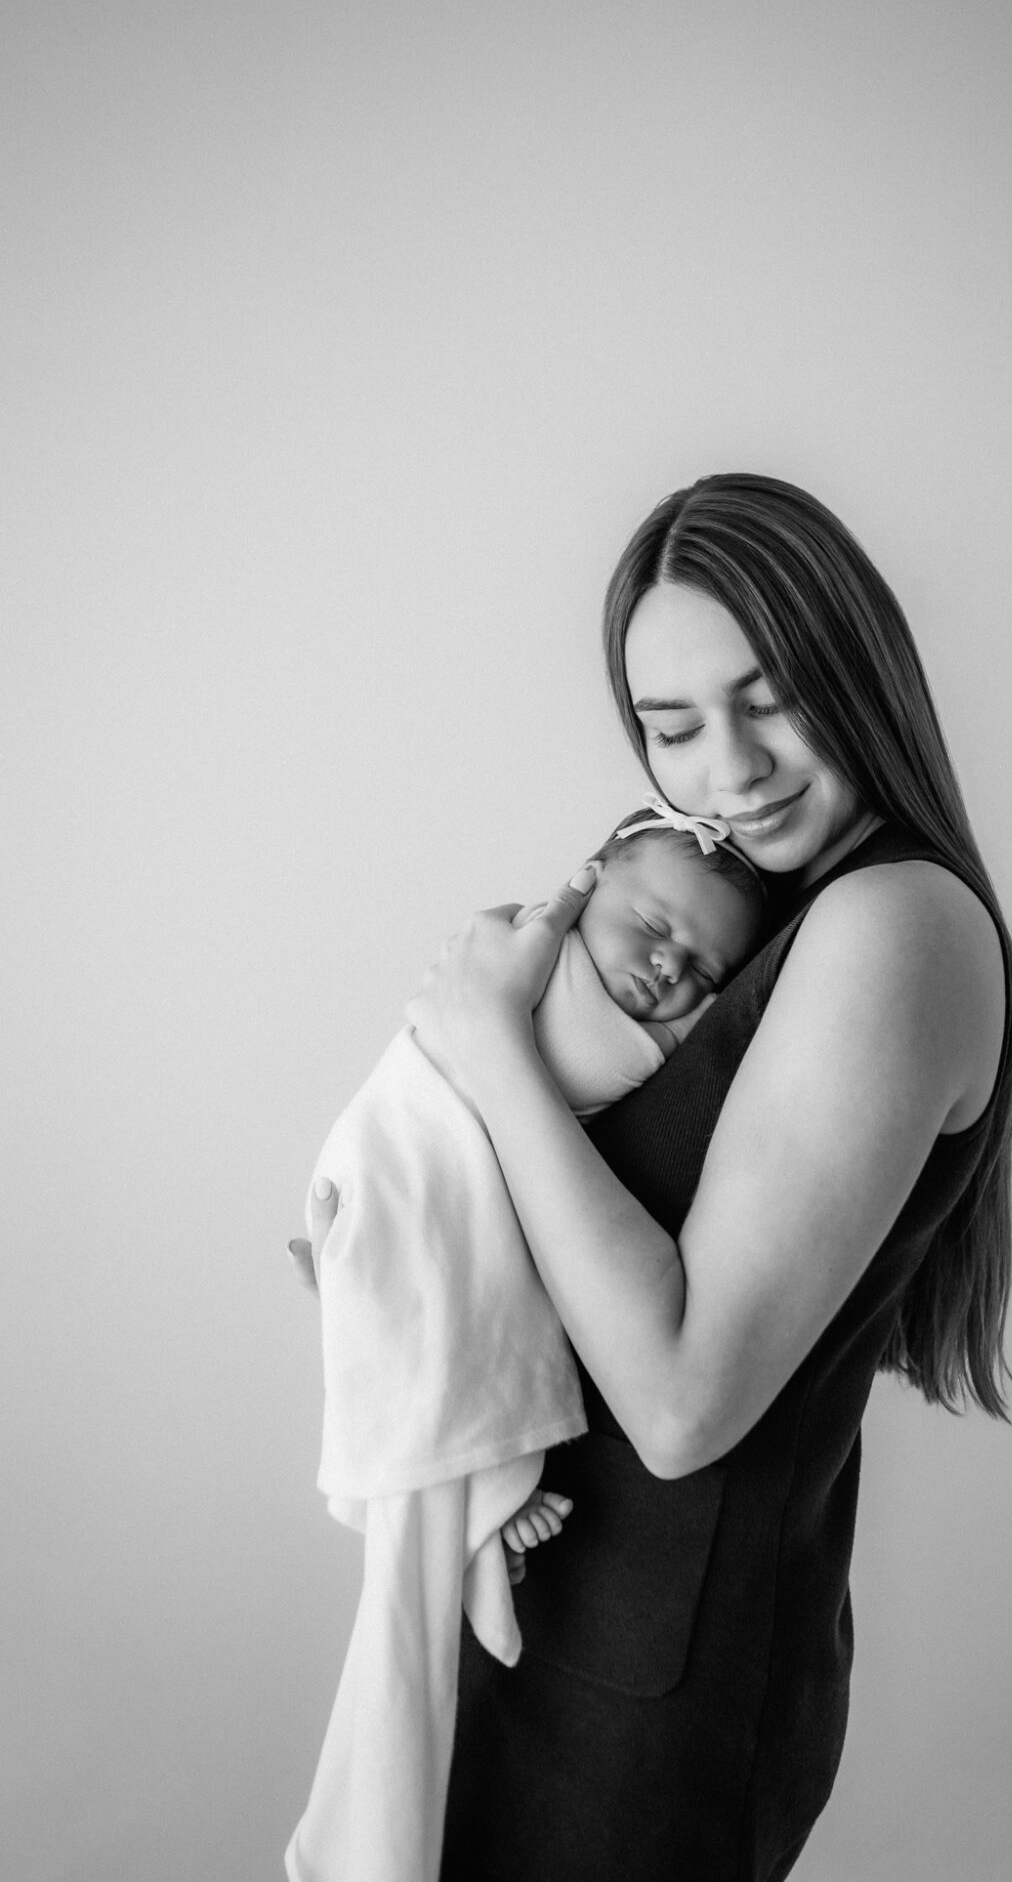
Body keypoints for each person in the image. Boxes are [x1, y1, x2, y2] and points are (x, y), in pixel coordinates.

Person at [292, 472, 1012, 1882]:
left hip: (643, 1701)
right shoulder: (755, 909)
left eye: (770, 699)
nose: (728, 770)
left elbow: (685, 1403)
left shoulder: (895, 925)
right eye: (672, 728)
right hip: (559, 1625)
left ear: (860, 671)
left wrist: (490, 1048)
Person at [287, 803, 764, 1882]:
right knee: (448, 1286)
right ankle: (485, 1487)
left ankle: (484, 1490)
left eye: (703, 970)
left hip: (455, 1188)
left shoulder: (537, 992)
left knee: (468, 1299)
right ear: (585, 882)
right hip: (410, 1142)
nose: (667, 969)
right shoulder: (535, 956)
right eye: (652, 928)